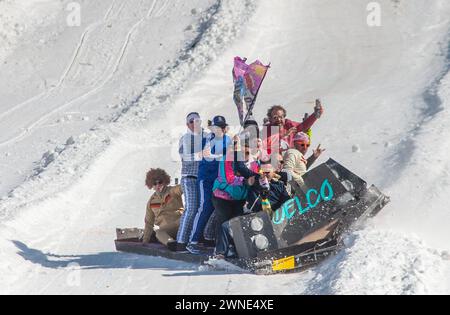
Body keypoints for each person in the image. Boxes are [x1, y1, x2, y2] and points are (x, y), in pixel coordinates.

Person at [215, 163, 290, 259]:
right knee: (225, 226)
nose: (265, 175)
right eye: (262, 172)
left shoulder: (279, 185)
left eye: (268, 172)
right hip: (252, 215)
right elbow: (242, 171)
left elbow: (287, 202)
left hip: (270, 218)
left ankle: (266, 256)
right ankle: (221, 254)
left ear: (273, 172)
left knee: (260, 237)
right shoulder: (256, 180)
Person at [186, 116, 232, 254]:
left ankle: (217, 241)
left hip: (219, 180)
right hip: (206, 179)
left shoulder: (227, 139)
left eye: (222, 127)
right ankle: (192, 241)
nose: (219, 129)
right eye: (216, 127)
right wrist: (226, 151)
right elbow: (208, 155)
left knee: (221, 209)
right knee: (204, 208)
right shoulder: (208, 139)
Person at [207, 139, 259, 256]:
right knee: (224, 221)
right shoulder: (227, 159)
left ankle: (235, 249)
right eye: (236, 149)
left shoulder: (254, 164)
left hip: (239, 199)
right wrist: (246, 181)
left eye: (246, 153)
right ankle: (220, 251)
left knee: (237, 223)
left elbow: (255, 180)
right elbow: (229, 179)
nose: (241, 154)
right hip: (222, 196)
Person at [176, 112, 207, 251]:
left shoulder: (207, 137)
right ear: (187, 124)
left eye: (197, 121)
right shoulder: (186, 138)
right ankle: (181, 241)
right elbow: (186, 156)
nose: (194, 123)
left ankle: (198, 238)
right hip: (190, 177)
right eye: (191, 121)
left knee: (203, 208)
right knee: (191, 208)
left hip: (203, 178)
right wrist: (201, 153)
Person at [142, 169, 184, 248]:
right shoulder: (151, 202)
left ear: (165, 181)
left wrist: (186, 183)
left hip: (180, 224)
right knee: (159, 233)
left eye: (160, 182)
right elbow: (149, 223)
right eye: (155, 183)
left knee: (159, 232)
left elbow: (180, 188)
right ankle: (172, 244)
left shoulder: (172, 191)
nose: (158, 185)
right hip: (166, 231)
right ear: (151, 185)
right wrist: (145, 241)